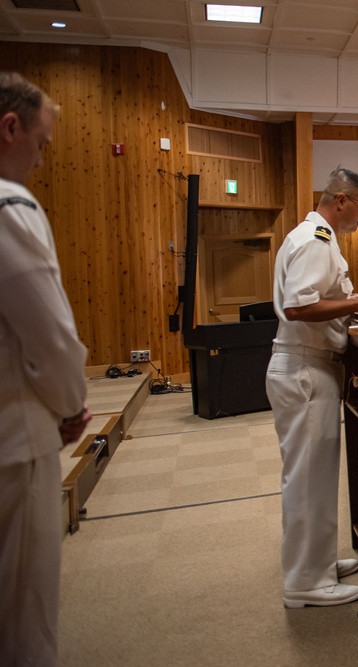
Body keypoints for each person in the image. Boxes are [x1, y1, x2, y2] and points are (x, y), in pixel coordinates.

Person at [266, 168, 358, 609]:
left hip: (310, 366)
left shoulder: (315, 236)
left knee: (317, 476)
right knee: (306, 479)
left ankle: (316, 562)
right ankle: (305, 581)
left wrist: (354, 307)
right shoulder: (315, 239)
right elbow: (299, 306)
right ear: (341, 200)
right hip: (304, 368)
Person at [0, 72, 91, 666]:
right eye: (42, 141)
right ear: (10, 128)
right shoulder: (11, 206)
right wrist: (69, 406)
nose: (42, 155)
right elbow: (50, 335)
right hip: (13, 438)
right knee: (23, 611)